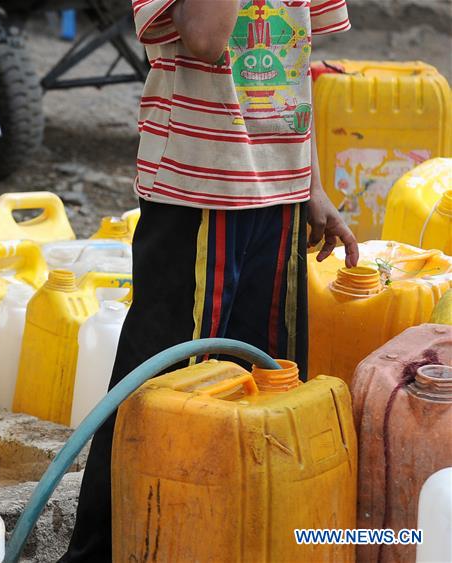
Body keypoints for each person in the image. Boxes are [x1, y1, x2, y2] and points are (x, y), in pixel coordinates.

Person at [60, 1, 359, 560]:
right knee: (160, 391)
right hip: (198, 192)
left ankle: (234, 543)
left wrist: (312, 186)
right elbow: (205, 36)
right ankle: (106, 551)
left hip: (282, 196)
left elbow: (294, 63)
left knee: (267, 387)